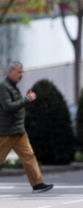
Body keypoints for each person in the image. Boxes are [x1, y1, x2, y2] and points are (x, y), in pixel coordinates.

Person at [0, 61, 53, 193]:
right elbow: (8, 107)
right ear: (10, 72)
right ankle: (37, 183)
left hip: (18, 131)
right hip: (7, 132)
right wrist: (27, 99)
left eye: (22, 72)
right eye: (19, 72)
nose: (21, 75)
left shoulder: (13, 86)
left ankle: (37, 184)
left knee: (29, 155)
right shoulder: (4, 87)